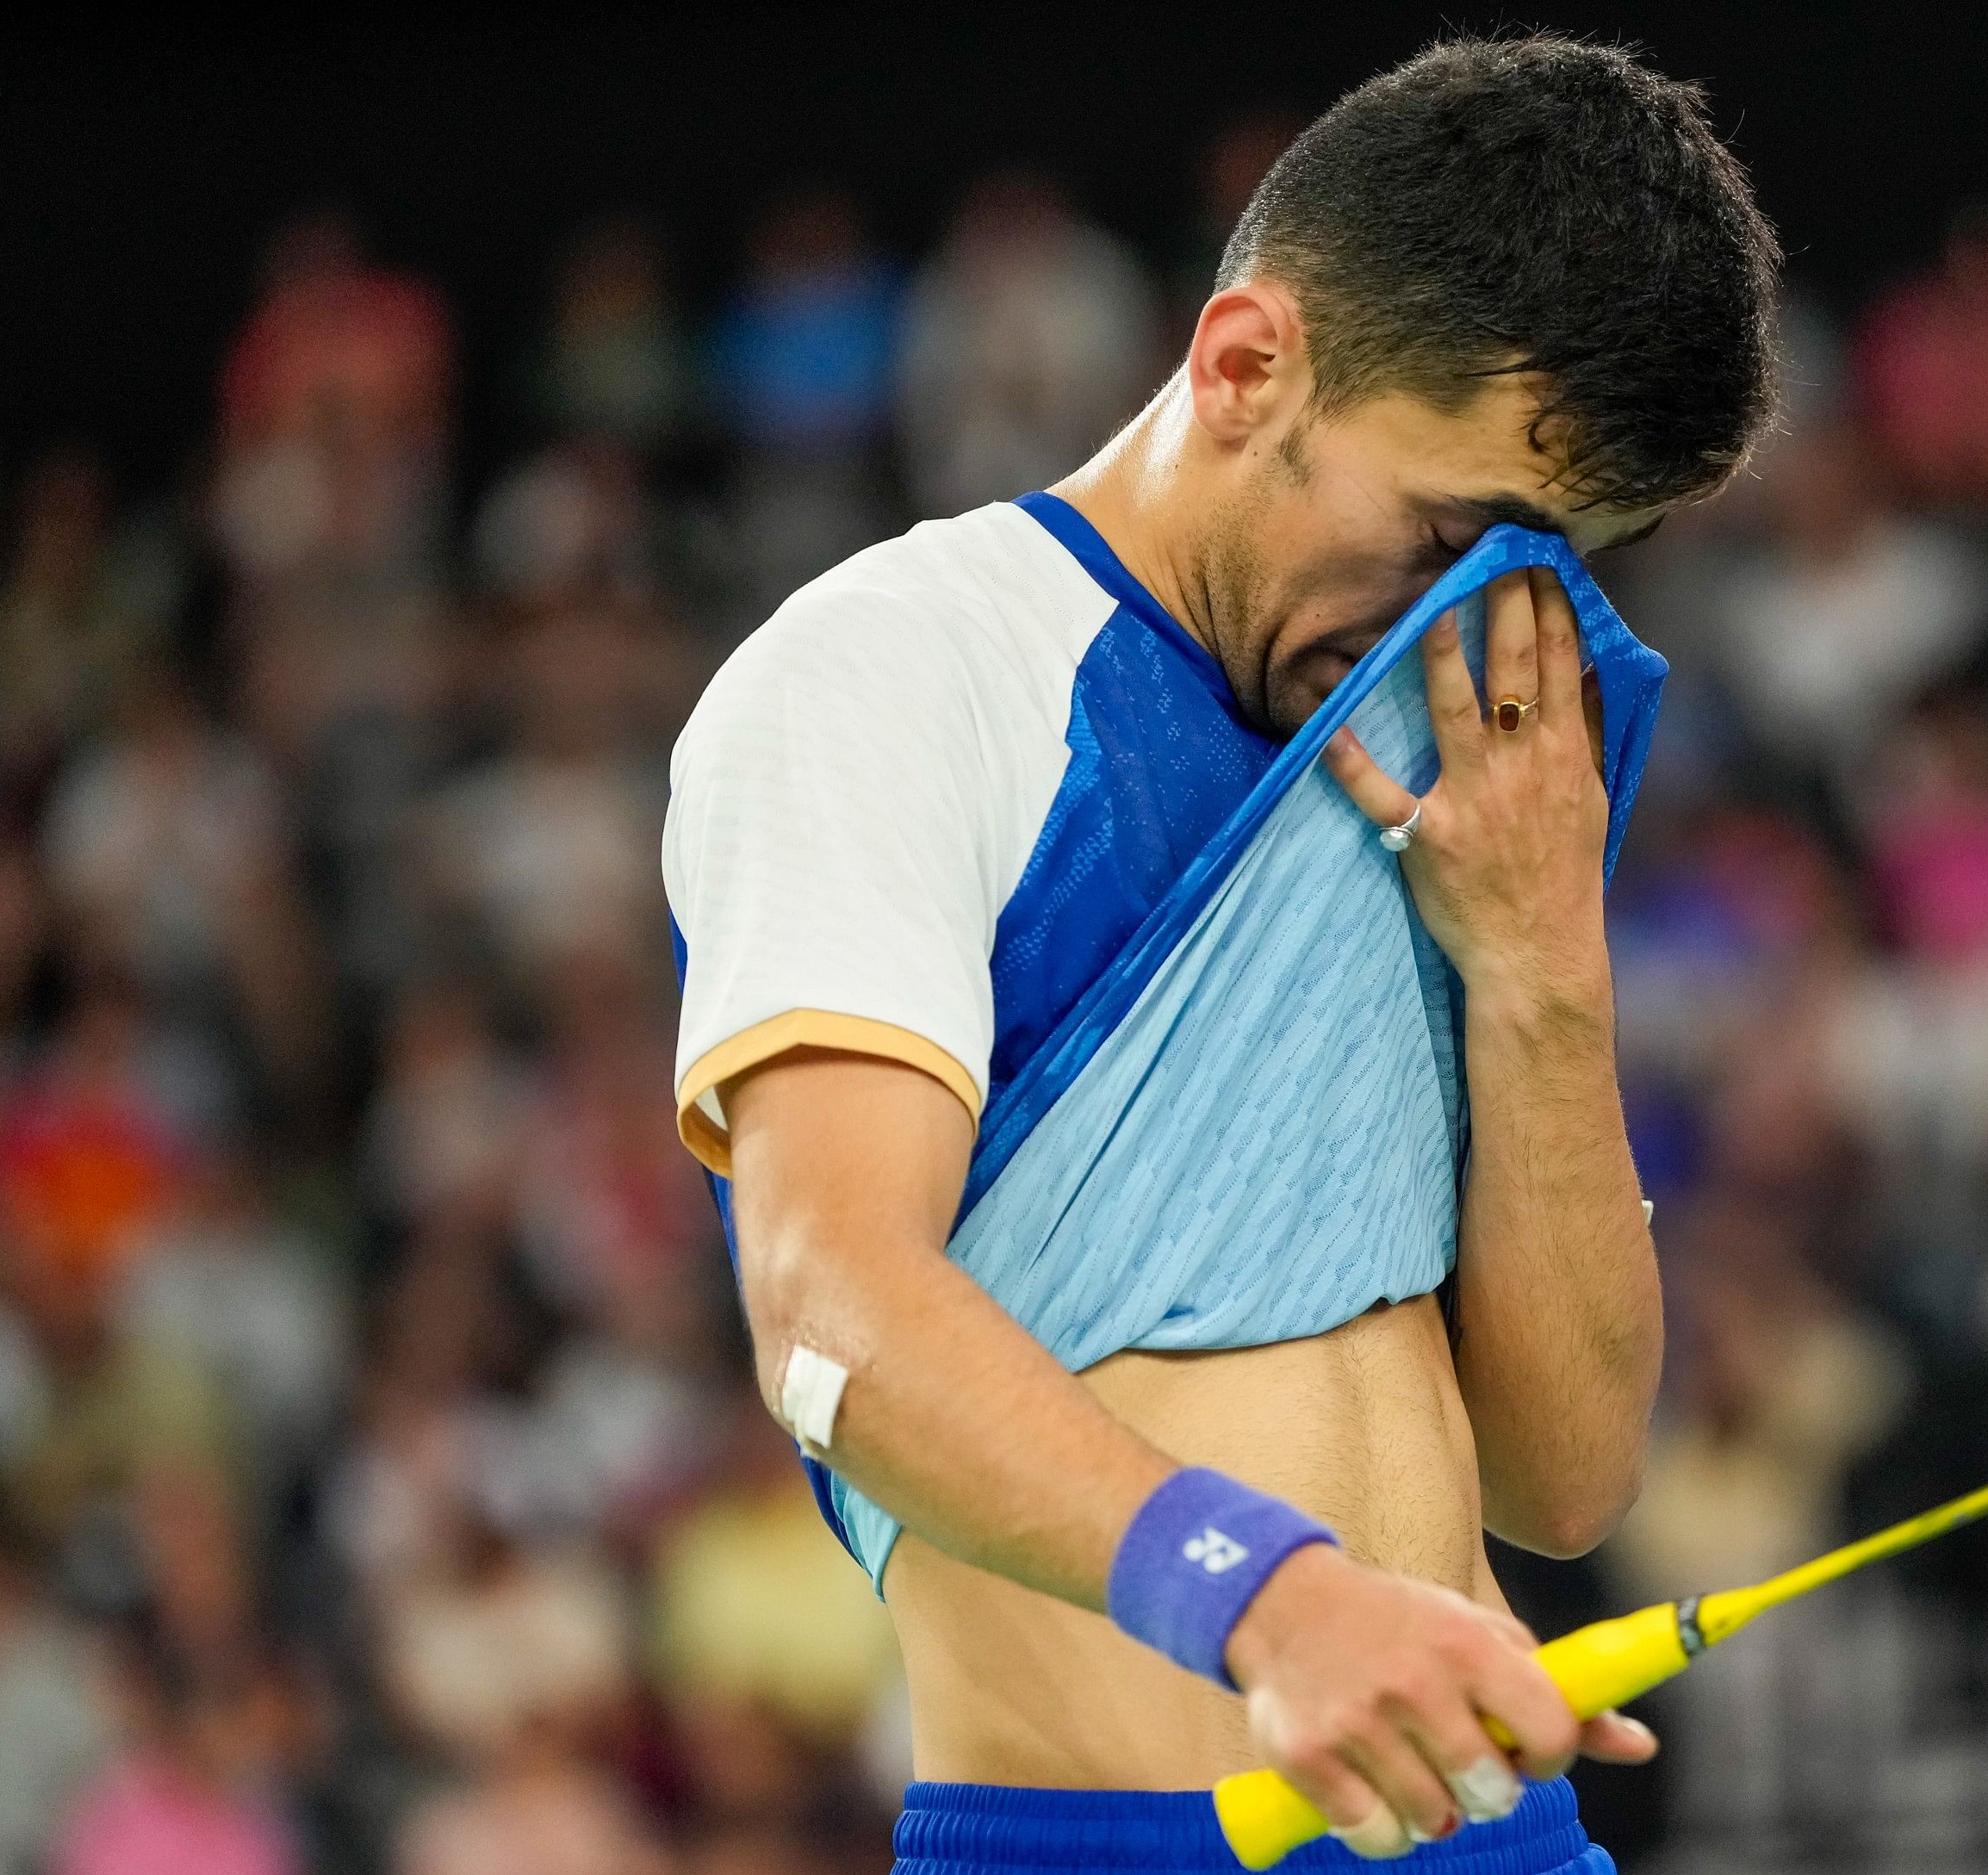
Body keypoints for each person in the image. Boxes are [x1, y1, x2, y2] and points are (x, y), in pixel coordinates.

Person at [661, 36, 1780, 1873]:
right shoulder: (895, 670)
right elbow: (827, 1306)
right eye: (1450, 533)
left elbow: (1568, 1484)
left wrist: (1544, 984)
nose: (1485, 614)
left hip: (1501, 1843)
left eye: (1568, 563)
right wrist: (1273, 1601)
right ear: (1247, 364)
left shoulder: (1462, 750)